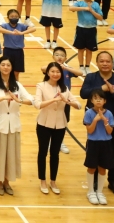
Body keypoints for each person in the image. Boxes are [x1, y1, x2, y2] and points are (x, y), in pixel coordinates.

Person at [79, 51, 114, 199]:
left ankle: (113, 181)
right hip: (95, 124)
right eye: (101, 61)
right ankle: (95, 181)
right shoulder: (91, 77)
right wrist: (100, 89)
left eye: (108, 61)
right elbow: (83, 93)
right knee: (95, 153)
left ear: (112, 63)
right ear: (97, 63)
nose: (105, 63)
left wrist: (113, 92)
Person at [0, 57, 32, 195]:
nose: (5, 67)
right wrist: (3, 98)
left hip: (13, 125)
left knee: (10, 155)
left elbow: (32, 99)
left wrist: (19, 100)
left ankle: (7, 182)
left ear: (11, 68)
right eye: (3, 65)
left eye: (8, 65)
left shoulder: (17, 85)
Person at [33, 61, 81, 195]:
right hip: (43, 123)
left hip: (60, 124)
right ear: (48, 73)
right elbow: (37, 104)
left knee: (55, 153)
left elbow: (79, 105)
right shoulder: (41, 86)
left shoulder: (64, 88)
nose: (55, 74)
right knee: (42, 152)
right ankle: (42, 181)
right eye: (53, 71)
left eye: (58, 72)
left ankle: (53, 181)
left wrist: (67, 102)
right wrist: (53, 100)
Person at [83, 90, 114, 205]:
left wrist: (105, 121)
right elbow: (90, 131)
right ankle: (91, 191)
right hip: (93, 143)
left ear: (105, 101)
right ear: (91, 101)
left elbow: (110, 131)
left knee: (103, 168)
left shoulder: (109, 114)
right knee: (91, 167)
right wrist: (96, 120)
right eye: (95, 98)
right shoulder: (89, 113)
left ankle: (100, 192)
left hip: (106, 143)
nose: (98, 100)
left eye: (100, 99)